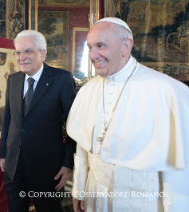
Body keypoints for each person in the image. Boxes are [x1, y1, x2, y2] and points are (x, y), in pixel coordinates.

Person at [66, 17, 189, 212]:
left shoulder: (168, 92)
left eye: (100, 46)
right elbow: (84, 147)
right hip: (95, 196)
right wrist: (80, 189)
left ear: (125, 46)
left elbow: (178, 169)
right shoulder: (89, 89)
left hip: (141, 203)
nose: (93, 55)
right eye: (90, 47)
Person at [0, 30, 76, 212]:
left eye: (28, 51)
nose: (21, 57)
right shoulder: (13, 79)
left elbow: (74, 125)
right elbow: (8, 119)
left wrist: (67, 164)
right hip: (14, 163)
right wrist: (3, 153)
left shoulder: (61, 79)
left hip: (48, 167)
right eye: (18, 52)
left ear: (43, 53)